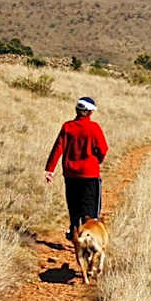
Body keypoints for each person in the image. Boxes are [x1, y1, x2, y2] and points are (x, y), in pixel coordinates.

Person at [45, 96, 108, 241]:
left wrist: (50, 169)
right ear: (90, 112)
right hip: (90, 175)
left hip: (70, 175)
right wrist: (97, 160)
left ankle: (73, 230)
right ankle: (89, 240)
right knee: (91, 211)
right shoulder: (94, 128)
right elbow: (103, 149)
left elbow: (58, 148)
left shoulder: (67, 127)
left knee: (74, 207)